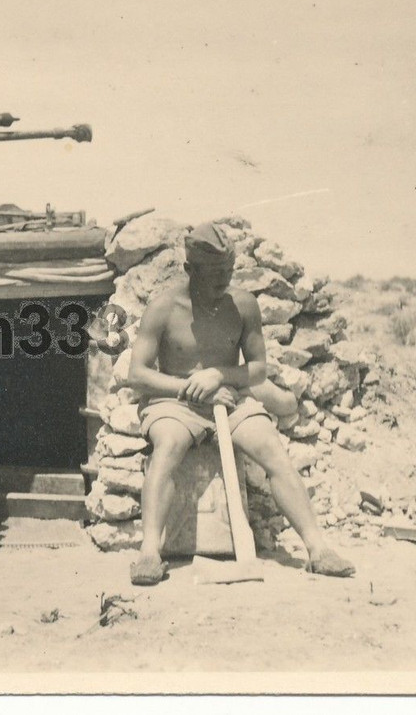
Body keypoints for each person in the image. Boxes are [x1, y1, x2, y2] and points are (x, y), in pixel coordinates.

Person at [124, 221, 356, 586]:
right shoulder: (164, 307)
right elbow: (136, 374)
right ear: (190, 269)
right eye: (215, 275)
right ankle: (149, 553)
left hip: (231, 399)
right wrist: (191, 386)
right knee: (167, 445)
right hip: (175, 402)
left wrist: (218, 375)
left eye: (229, 272)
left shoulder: (243, 305)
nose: (224, 283)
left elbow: (259, 370)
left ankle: (318, 549)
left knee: (270, 447)